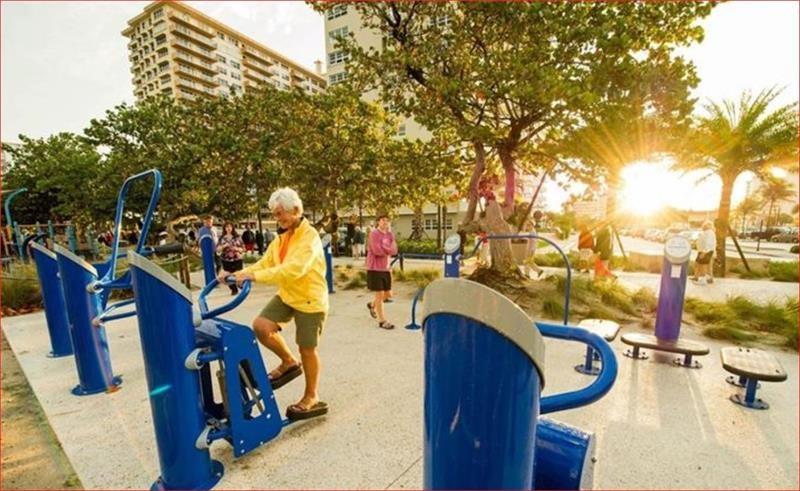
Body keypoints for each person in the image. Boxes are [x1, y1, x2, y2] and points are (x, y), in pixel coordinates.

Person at [221, 187, 329, 421]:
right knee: (261, 326)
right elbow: (264, 263)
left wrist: (254, 277)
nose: (276, 219)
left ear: (296, 210)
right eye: (274, 214)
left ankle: (311, 396)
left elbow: (294, 270)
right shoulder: (281, 238)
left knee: (307, 348)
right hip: (289, 294)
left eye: (280, 214)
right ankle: (289, 362)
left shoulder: (309, 238)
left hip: (310, 299)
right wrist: (239, 272)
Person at [366, 214, 398, 329]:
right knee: (379, 294)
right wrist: (388, 250)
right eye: (383, 220)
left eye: (387, 220)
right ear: (378, 222)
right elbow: (377, 250)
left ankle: (372, 305)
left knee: (388, 294)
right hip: (375, 268)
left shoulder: (390, 234)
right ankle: (382, 321)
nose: (385, 222)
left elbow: (394, 250)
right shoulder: (374, 233)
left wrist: (387, 249)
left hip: (386, 267)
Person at [218, 222, 245, 295]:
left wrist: (237, 249)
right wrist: (224, 246)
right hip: (226, 260)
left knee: (238, 274)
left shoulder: (237, 237)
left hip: (237, 259)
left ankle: (241, 286)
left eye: (230, 227)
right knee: (227, 275)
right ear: (224, 228)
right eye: (227, 227)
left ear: (232, 228)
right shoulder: (222, 238)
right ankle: (233, 289)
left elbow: (243, 248)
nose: (228, 228)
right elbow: (218, 249)